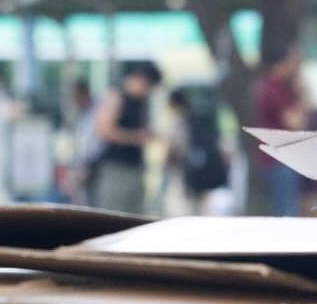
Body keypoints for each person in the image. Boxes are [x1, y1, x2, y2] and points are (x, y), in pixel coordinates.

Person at [86, 61, 160, 215]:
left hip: (135, 168)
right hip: (115, 169)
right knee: (113, 216)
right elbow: (104, 130)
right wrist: (136, 137)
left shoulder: (140, 103)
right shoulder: (116, 97)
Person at [247, 50, 308, 217]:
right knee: (287, 211)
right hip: (279, 159)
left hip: (279, 158)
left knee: (284, 208)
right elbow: (295, 122)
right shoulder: (273, 90)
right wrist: (301, 93)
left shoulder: (274, 88)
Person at [166, 87, 233, 215]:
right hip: (209, 176)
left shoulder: (181, 121)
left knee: (183, 213)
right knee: (205, 213)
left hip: (186, 177)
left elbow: (174, 148)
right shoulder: (214, 117)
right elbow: (227, 148)